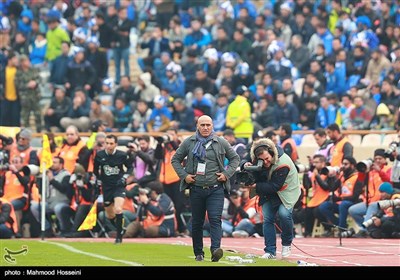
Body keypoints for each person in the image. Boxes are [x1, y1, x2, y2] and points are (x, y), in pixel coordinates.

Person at [171, 115, 240, 262]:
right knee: (197, 221)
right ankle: (198, 253)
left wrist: (226, 174)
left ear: (212, 126)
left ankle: (215, 250)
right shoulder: (189, 142)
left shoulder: (221, 142)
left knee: (215, 219)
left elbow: (235, 159)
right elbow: (175, 159)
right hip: (196, 188)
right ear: (197, 126)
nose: (205, 128)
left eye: (208, 125)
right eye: (202, 125)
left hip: (216, 188)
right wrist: (184, 176)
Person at [242, 138, 301, 259]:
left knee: (284, 214)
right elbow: (243, 159)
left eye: (267, 159)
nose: (265, 162)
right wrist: (244, 164)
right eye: (261, 160)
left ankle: (286, 243)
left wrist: (256, 186)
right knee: (268, 218)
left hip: (286, 189)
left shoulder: (283, 163)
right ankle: (270, 251)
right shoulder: (255, 153)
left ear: (272, 153)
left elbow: (275, 186)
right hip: (267, 189)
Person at [93, 134, 133, 244]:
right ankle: (120, 229)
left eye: (111, 143)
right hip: (106, 187)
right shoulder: (99, 155)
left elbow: (130, 167)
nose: (109, 146)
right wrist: (98, 180)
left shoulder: (122, 155)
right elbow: (96, 170)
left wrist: (124, 177)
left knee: (118, 209)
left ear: (116, 144)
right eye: (107, 143)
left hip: (118, 185)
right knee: (110, 215)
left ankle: (119, 237)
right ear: (104, 143)